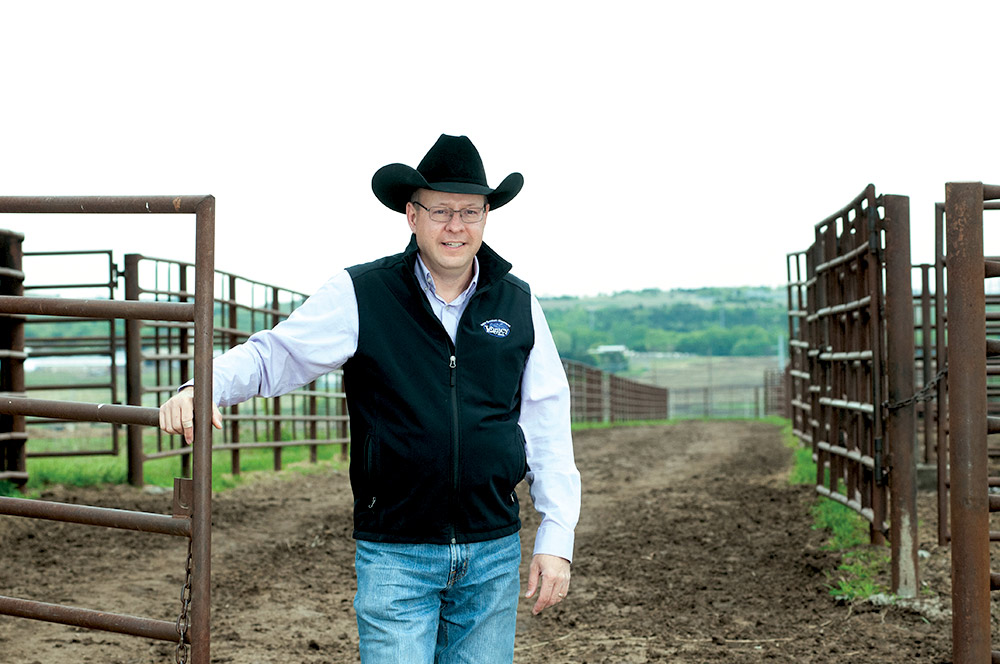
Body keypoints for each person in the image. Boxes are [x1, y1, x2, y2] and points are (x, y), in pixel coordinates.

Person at [159, 134, 581, 663]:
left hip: (492, 551)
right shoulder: (362, 294)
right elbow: (274, 356)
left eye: (471, 211)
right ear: (412, 215)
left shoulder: (519, 304)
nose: (457, 226)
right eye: (441, 210)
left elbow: (546, 423)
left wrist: (555, 537)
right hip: (396, 554)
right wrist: (202, 386)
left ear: (487, 216)